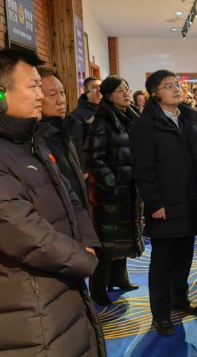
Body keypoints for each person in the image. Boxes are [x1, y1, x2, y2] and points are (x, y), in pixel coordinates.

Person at [0, 48, 106, 356]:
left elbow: (71, 197)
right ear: (0, 95)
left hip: (63, 280)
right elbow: (18, 229)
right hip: (29, 301)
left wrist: (88, 243)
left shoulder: (29, 139)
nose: (41, 95)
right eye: (33, 87)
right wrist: (83, 260)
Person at [129, 70, 197, 337]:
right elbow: (143, 169)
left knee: (184, 256)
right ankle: (160, 314)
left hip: (189, 199)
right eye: (168, 86)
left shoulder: (188, 119)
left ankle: (180, 300)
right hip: (164, 203)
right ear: (155, 94)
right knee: (162, 262)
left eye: (177, 85)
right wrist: (154, 202)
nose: (176, 89)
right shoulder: (144, 126)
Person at [85, 75, 144, 306]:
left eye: (127, 89)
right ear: (109, 96)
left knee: (123, 237)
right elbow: (93, 158)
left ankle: (119, 278)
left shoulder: (130, 117)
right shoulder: (102, 122)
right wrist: (111, 183)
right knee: (108, 242)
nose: (127, 94)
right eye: (121, 90)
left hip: (129, 190)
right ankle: (98, 288)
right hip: (111, 193)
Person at [38, 67, 89, 209]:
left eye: (62, 93)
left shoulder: (67, 130)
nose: (61, 100)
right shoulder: (36, 141)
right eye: (52, 95)